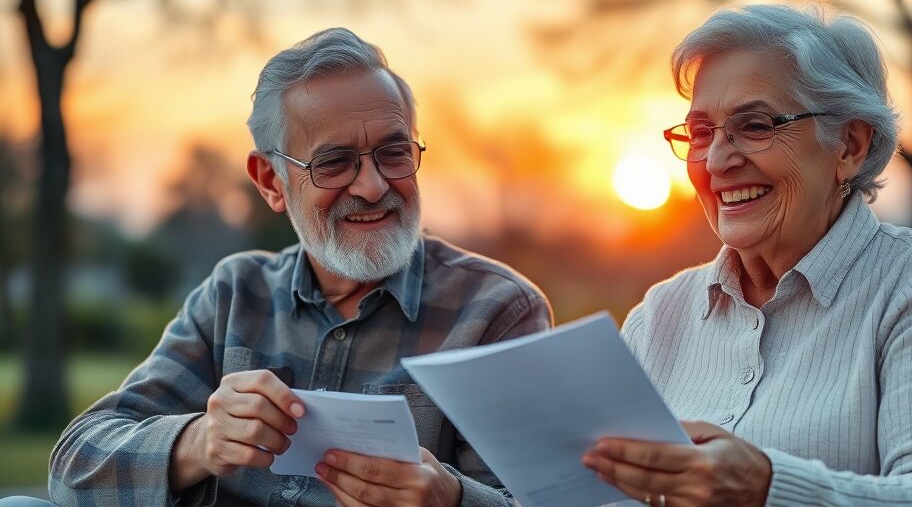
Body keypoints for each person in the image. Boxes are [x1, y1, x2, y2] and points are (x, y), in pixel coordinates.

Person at [44, 28, 552, 506]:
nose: (373, 186)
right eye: (334, 163)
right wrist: (199, 442)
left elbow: (545, 496)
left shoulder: (497, 311)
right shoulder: (233, 295)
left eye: (394, 153)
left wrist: (451, 498)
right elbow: (76, 464)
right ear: (270, 180)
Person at [582, 4, 912, 506]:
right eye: (702, 133)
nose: (718, 160)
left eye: (757, 125)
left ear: (849, 145)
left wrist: (765, 487)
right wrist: (467, 496)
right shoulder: (661, 313)